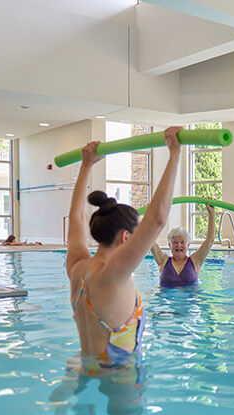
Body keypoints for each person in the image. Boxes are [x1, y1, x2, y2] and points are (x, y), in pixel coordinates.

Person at [66, 126, 182, 368]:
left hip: (84, 367)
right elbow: (157, 218)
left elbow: (75, 216)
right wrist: (174, 154)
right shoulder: (113, 273)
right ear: (125, 237)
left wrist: (86, 165)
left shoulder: (77, 266)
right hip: (120, 379)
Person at [150, 204, 215, 287]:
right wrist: (149, 217)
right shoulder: (163, 260)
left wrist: (211, 214)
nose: (179, 245)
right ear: (169, 245)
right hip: (167, 300)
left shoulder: (195, 260)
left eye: (182, 242)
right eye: (175, 242)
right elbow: (150, 240)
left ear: (188, 245)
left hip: (190, 299)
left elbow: (210, 241)